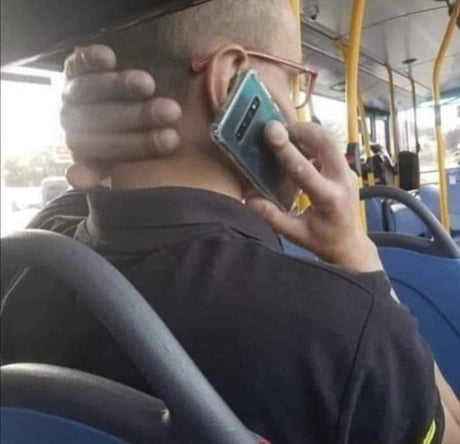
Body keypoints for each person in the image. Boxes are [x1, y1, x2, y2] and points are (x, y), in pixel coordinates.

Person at [2, 1, 459, 442]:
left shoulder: (24, 268)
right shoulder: (348, 322)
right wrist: (359, 254)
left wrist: (105, 162)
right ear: (230, 78)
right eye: (292, 83)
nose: (295, 110)